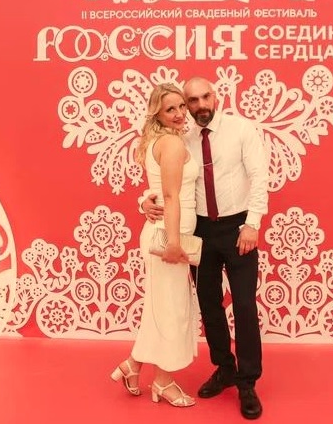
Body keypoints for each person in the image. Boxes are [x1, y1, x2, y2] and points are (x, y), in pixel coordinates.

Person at [142, 77, 269, 419]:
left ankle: (247, 382)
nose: (199, 105)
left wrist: (252, 224)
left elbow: (259, 177)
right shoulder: (181, 136)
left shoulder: (241, 129)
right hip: (200, 230)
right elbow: (167, 182)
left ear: (216, 97)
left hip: (238, 227)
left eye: (204, 97)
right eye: (192, 101)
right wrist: (145, 201)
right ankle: (224, 369)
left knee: (244, 305)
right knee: (209, 304)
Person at [111, 83, 199, 408]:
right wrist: (173, 243)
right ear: (157, 114)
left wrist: (144, 202)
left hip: (165, 231)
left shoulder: (163, 140)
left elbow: (157, 190)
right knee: (170, 310)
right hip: (167, 236)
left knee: (161, 307)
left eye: (181, 106)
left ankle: (132, 366)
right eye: (170, 109)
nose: (179, 114)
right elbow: (171, 196)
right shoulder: (172, 144)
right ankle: (163, 382)